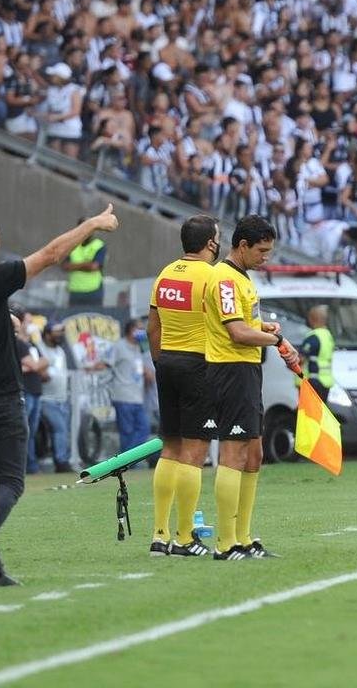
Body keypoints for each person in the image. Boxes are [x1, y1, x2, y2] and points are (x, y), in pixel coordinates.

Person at [0, 206, 120, 588]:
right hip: (0, 399)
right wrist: (93, 224)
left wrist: (5, 321)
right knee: (12, 482)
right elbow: (51, 254)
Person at [203, 215, 299, 560]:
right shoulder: (225, 279)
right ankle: (225, 543)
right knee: (233, 454)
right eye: (261, 250)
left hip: (247, 371)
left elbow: (246, 325)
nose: (266, 257)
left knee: (254, 454)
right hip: (229, 371)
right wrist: (278, 340)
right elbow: (237, 332)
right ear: (242, 246)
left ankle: (243, 538)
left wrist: (264, 328)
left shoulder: (242, 277)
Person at [147, 215, 221, 557]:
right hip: (199, 366)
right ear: (210, 243)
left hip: (168, 363)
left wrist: (160, 362)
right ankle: (185, 537)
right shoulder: (212, 276)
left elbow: (153, 328)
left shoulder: (164, 275)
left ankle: (159, 535)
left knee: (170, 449)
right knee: (194, 453)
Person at [109, 319, 154, 457]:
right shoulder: (119, 346)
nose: (143, 331)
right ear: (131, 330)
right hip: (123, 396)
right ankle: (127, 460)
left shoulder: (138, 348)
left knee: (144, 428)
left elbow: (136, 368)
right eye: (140, 328)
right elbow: (106, 364)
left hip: (137, 397)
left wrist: (145, 372)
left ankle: (127, 459)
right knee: (127, 432)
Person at [12, 311, 48, 473]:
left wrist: (33, 366)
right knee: (22, 431)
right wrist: (34, 366)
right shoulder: (17, 343)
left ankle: (31, 465)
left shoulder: (32, 345)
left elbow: (45, 361)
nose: (31, 325)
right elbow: (35, 365)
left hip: (36, 391)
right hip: (24, 391)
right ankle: (22, 466)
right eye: (28, 321)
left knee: (31, 432)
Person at [39, 322, 73, 473]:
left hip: (62, 398)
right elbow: (40, 371)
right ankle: (61, 462)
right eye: (57, 332)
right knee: (59, 429)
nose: (60, 335)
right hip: (46, 398)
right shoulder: (40, 348)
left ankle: (62, 459)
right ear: (47, 334)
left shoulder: (60, 350)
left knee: (63, 430)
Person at [63, 221, 107, 306]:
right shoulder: (71, 245)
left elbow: (93, 267)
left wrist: (74, 266)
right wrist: (86, 264)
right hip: (75, 291)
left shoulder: (99, 245)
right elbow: (65, 266)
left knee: (94, 314)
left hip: (94, 291)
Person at [298, 304, 335, 403]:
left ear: (312, 319)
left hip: (313, 382)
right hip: (325, 382)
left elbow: (301, 359)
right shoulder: (328, 335)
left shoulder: (313, 337)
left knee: (309, 411)